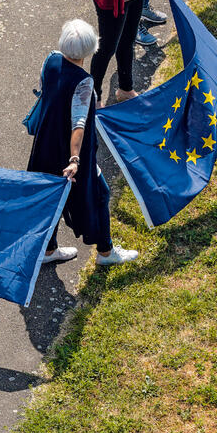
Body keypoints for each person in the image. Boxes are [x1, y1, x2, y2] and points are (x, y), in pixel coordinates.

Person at [29, 20, 140, 266]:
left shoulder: (51, 59)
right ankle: (106, 252)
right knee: (100, 194)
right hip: (71, 155)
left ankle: (48, 251)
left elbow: (44, 92)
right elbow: (79, 125)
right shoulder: (84, 82)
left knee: (50, 199)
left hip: (46, 144)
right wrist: (75, 159)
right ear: (91, 48)